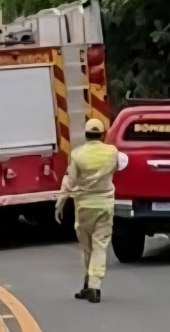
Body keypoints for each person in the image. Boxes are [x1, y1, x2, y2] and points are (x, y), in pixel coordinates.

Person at [55, 119, 128, 303]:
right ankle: (94, 286)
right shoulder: (112, 153)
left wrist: (60, 203)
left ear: (86, 135)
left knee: (87, 248)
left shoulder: (77, 155)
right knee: (100, 246)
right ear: (103, 135)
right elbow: (122, 165)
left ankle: (88, 285)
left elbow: (70, 181)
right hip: (104, 205)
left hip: (84, 207)